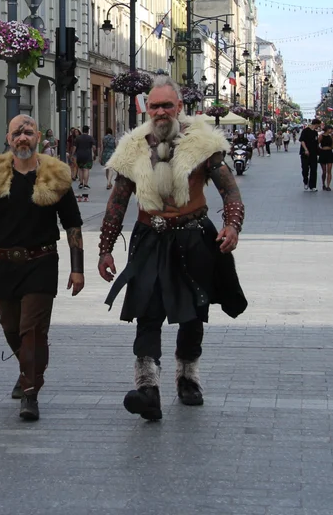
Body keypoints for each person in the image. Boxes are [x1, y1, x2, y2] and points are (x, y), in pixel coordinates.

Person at [97, 75, 246, 421]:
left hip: (194, 237)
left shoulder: (202, 144)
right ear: (146, 109)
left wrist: (232, 226)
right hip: (149, 239)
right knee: (147, 312)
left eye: (167, 105)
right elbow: (117, 203)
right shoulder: (132, 148)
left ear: (180, 107)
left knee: (193, 311)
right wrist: (105, 249)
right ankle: (147, 388)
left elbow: (230, 191)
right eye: (155, 106)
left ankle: (188, 378)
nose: (161, 112)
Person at [0, 115, 84, 422]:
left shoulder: (56, 176)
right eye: (17, 132)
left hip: (41, 262)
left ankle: (30, 394)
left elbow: (72, 224)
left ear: (38, 136)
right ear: (8, 138)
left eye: (28, 132)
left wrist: (77, 268)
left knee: (32, 331)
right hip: (2, 263)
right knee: (11, 328)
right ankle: (28, 368)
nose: (23, 137)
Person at [299, 119, 320, 192]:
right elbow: (302, 140)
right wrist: (306, 149)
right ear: (316, 124)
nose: (318, 127)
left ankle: (313, 186)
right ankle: (305, 181)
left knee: (314, 169)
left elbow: (316, 143)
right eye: (318, 125)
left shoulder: (315, 133)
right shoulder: (305, 131)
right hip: (305, 153)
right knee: (305, 169)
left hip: (313, 154)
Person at [74, 125, 97, 190]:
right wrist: (94, 154)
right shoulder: (90, 138)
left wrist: (72, 155)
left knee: (80, 169)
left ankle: (81, 183)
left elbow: (74, 147)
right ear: (88, 131)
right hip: (87, 155)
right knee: (86, 169)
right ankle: (86, 185)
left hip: (79, 155)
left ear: (82, 130)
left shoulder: (78, 138)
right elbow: (94, 148)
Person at [317, 125, 333, 191]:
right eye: (331, 129)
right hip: (323, 153)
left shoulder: (330, 136)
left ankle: (328, 185)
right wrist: (319, 150)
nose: (331, 130)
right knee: (324, 171)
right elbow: (317, 144)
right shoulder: (321, 136)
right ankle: (323, 183)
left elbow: (332, 145)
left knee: (329, 171)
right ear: (327, 129)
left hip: (329, 153)